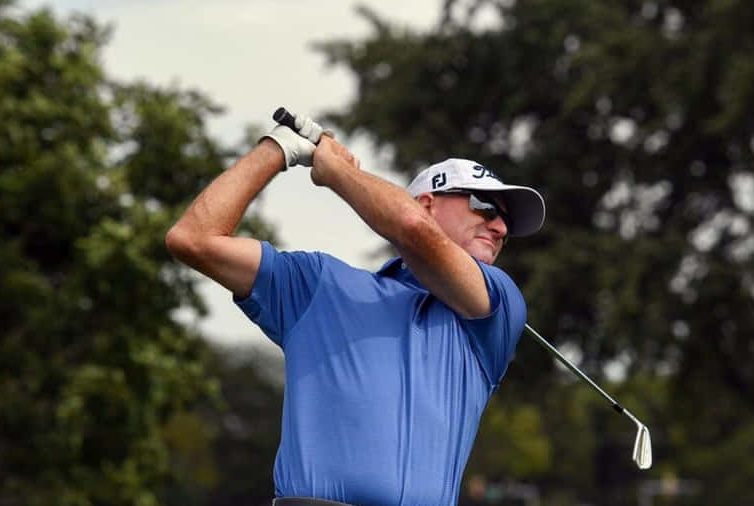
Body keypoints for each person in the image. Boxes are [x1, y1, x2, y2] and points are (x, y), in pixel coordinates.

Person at [166, 112, 546, 506]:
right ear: (427, 204)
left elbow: (411, 227)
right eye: (485, 207)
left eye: (506, 222)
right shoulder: (318, 283)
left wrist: (337, 172)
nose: (501, 228)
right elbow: (193, 238)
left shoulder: (498, 307)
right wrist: (278, 148)